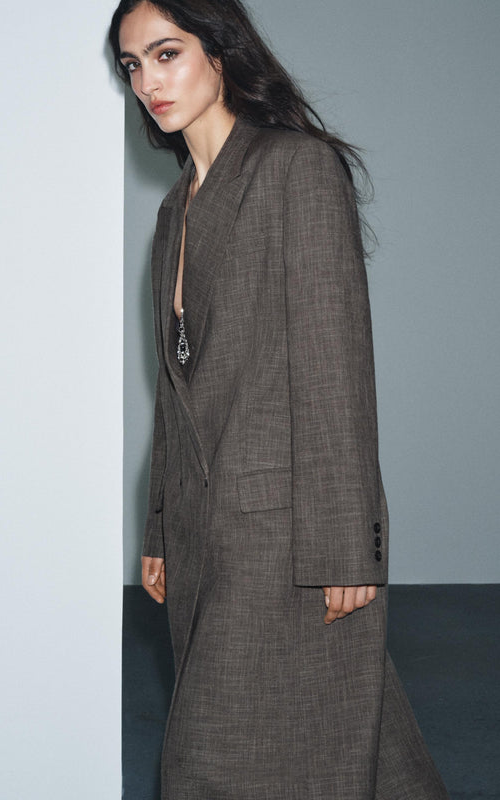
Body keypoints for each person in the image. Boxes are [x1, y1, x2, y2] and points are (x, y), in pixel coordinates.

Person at [109, 1, 451, 797]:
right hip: (200, 529)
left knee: (212, 758)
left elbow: (334, 365)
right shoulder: (175, 210)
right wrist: (159, 525)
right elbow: (177, 387)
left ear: (219, 51)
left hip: (283, 530)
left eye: (166, 53)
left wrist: (346, 546)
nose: (148, 81)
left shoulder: (294, 169)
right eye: (132, 65)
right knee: (328, 727)